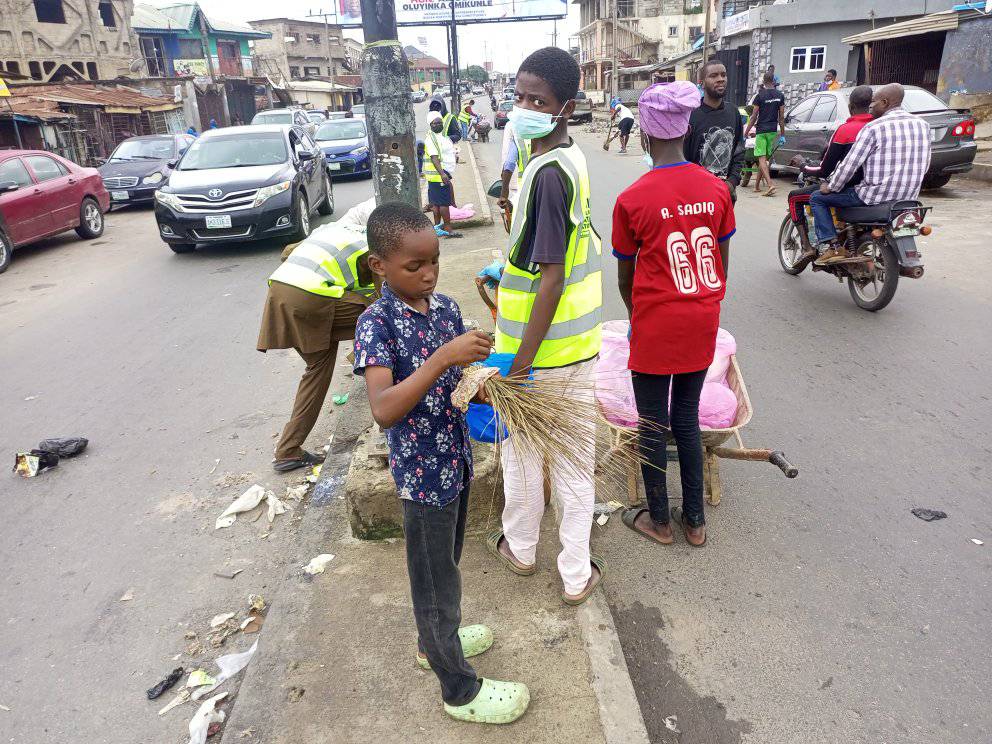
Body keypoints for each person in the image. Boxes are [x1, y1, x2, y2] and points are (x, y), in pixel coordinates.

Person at [353, 202, 530, 725]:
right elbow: (385, 409)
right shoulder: (375, 324)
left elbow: (456, 386)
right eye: (414, 266)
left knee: (445, 568)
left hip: (457, 464)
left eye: (434, 260)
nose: (428, 274)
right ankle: (458, 689)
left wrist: (487, 388)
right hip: (423, 480)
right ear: (379, 265)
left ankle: (438, 640)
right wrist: (444, 359)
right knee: (434, 586)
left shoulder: (447, 309)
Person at [488, 47, 605, 607]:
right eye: (520, 96)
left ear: (566, 108)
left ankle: (525, 550)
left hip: (539, 356)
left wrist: (523, 359)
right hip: (576, 350)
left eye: (539, 100)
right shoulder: (565, 158)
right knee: (571, 462)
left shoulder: (549, 175)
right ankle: (576, 576)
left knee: (527, 461)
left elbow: (554, 277)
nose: (526, 107)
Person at [613, 81, 735, 548]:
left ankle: (660, 519)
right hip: (701, 318)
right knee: (686, 418)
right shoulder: (717, 190)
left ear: (644, 133)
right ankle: (696, 522)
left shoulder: (632, 199)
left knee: (651, 421)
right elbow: (723, 264)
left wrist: (635, 315)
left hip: (656, 323)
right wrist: (707, 304)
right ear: (686, 128)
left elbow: (626, 277)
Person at [257, 223, 377, 472]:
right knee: (382, 311)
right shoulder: (372, 250)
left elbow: (288, 251)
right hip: (310, 298)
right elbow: (386, 291)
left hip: (278, 292)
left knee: (317, 369)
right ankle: (367, 360)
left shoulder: (332, 231)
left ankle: (288, 450)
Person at [810, 82, 932, 263]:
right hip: (908, 199)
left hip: (873, 197)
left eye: (872, 103)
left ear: (884, 102)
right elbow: (926, 164)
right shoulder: (923, 125)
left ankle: (833, 248)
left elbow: (850, 165)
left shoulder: (874, 127)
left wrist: (832, 186)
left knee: (817, 198)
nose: (870, 108)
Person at [786, 85, 873, 259]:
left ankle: (810, 246)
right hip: (873, 190)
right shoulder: (877, 127)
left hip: (849, 190)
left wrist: (803, 165)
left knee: (796, 197)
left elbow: (825, 169)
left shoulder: (845, 130)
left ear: (850, 107)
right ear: (870, 105)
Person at [683, 59, 744, 203]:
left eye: (723, 75)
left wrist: (731, 182)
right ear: (702, 82)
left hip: (725, 195)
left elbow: (739, 151)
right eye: (714, 76)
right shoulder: (691, 115)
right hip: (696, 197)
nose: (720, 79)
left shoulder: (733, 112)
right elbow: (683, 156)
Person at [745, 72, 786, 196]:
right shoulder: (780, 96)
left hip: (762, 131)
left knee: (761, 159)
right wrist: (783, 135)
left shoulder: (760, 96)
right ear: (773, 81)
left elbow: (753, 117)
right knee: (764, 160)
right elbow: (782, 117)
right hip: (772, 131)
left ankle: (770, 185)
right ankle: (757, 186)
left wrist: (746, 132)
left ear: (763, 81)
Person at [424, 111, 461, 238]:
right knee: (444, 203)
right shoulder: (431, 139)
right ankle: (448, 229)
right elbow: (435, 158)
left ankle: (437, 228)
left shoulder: (438, 136)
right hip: (439, 175)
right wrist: (443, 174)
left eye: (440, 122)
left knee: (436, 204)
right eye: (435, 123)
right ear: (430, 124)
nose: (438, 125)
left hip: (438, 175)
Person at [497, 121, 532, 214]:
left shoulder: (517, 137)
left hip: (522, 186)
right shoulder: (548, 130)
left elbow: (509, 163)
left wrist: (504, 195)